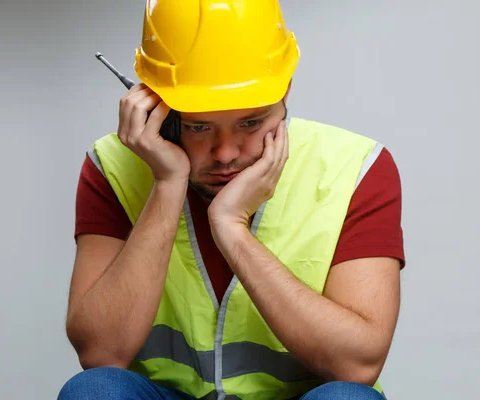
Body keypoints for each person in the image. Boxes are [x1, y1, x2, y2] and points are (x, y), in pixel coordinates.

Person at [58, 1, 405, 399]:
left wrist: (231, 228)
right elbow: (100, 352)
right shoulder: (112, 165)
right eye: (198, 126)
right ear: (153, 101)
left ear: (285, 86)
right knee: (95, 391)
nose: (225, 153)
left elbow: (356, 366)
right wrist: (168, 183)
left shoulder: (355, 168)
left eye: (251, 122)